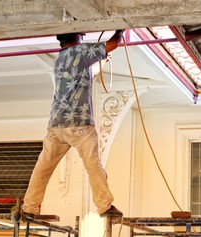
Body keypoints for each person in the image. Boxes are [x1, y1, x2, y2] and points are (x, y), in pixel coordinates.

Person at [21, 30, 124, 219]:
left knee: (43, 168)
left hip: (56, 123)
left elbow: (79, 77)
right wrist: (121, 30)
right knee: (93, 165)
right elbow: (113, 43)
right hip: (79, 122)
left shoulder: (59, 61)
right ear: (77, 38)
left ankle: (29, 208)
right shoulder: (81, 52)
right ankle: (104, 206)